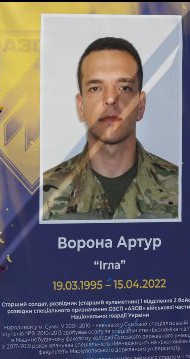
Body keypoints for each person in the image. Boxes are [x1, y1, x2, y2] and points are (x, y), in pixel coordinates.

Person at [42, 37, 178, 221]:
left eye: (124, 87)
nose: (111, 99)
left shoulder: (181, 189)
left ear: (141, 105)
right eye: (96, 88)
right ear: (81, 107)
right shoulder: (43, 195)